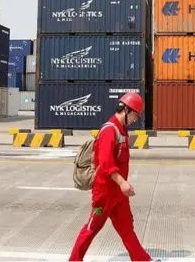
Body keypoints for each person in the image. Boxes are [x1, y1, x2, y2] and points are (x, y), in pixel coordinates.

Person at [69, 92, 154, 262]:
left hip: (118, 194)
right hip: (105, 192)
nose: (136, 119)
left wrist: (121, 186)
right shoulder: (109, 130)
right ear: (126, 109)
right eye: (135, 114)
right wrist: (123, 182)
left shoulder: (121, 130)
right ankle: (74, 260)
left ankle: (141, 259)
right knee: (93, 226)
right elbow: (107, 163)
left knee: (126, 227)